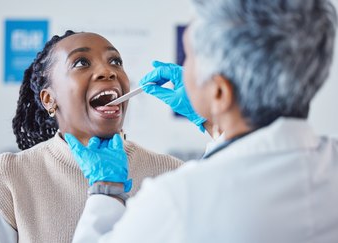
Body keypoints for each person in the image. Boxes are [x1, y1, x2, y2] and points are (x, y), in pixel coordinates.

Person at [66, 0, 338, 242]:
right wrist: (214, 122)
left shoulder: (179, 201)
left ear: (219, 91)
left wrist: (105, 192)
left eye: (190, 57)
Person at [0, 31, 183, 243]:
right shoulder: (6, 180)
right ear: (49, 100)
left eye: (115, 61)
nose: (108, 71)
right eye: (81, 62)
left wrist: (213, 122)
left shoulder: (172, 174)